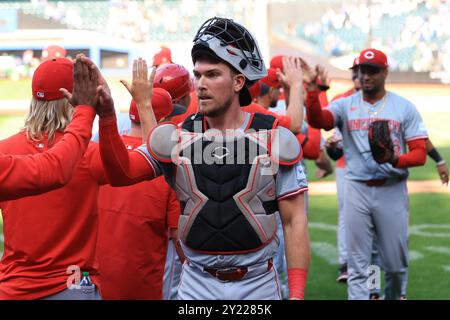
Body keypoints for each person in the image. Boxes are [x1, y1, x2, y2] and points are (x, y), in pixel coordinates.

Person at [97, 17, 311, 300]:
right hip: (196, 285)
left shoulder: (273, 137)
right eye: (198, 75)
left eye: (212, 75)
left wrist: (296, 295)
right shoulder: (177, 137)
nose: (201, 84)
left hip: (257, 285)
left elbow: (295, 221)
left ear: (238, 81)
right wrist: (107, 116)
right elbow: (122, 173)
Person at [305, 48, 428, 300]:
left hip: (392, 190)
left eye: (372, 71)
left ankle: (393, 295)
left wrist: (396, 159)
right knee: (358, 262)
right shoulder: (345, 104)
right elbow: (319, 121)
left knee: (395, 264)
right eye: (362, 71)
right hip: (357, 188)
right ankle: (368, 294)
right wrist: (311, 91)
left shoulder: (403, 107)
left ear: (385, 72)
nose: (366, 76)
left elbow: (419, 153)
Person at [0, 56, 106, 300]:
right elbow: (138, 167)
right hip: (73, 285)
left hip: (15, 287)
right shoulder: (89, 152)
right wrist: (105, 115)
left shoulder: (4, 149)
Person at [96, 59, 184, 299]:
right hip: (146, 287)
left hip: (94, 283)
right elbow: (181, 242)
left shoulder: (100, 151)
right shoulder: (168, 167)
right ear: (164, 121)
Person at [325, 58, 361, 283]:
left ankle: (369, 266)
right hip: (345, 167)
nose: (358, 75)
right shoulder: (341, 100)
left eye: (363, 71)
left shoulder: (383, 102)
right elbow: (334, 142)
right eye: (355, 71)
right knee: (346, 215)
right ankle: (345, 263)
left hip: (374, 171)